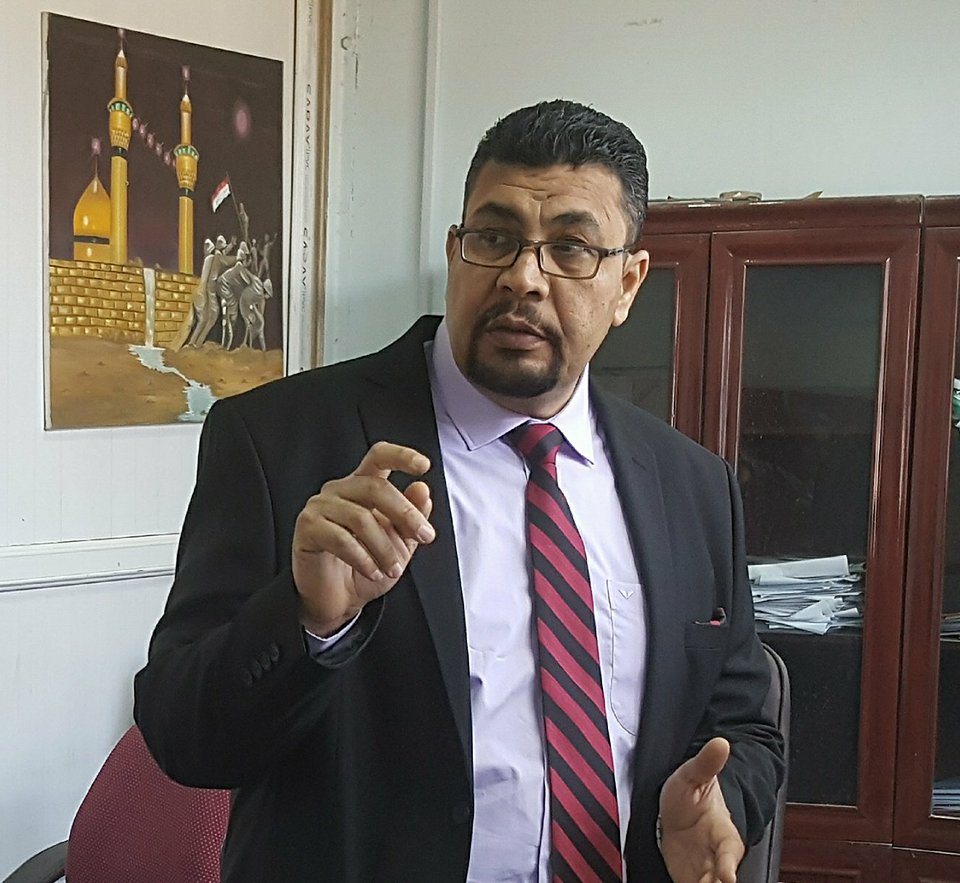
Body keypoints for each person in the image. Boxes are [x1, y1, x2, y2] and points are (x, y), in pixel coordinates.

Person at [134, 99, 784, 883]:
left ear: (627, 283)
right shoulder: (283, 442)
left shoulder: (692, 486)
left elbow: (745, 723)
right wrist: (308, 618)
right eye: (495, 237)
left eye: (571, 248)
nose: (523, 278)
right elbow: (184, 738)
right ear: (455, 249)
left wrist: (725, 801)